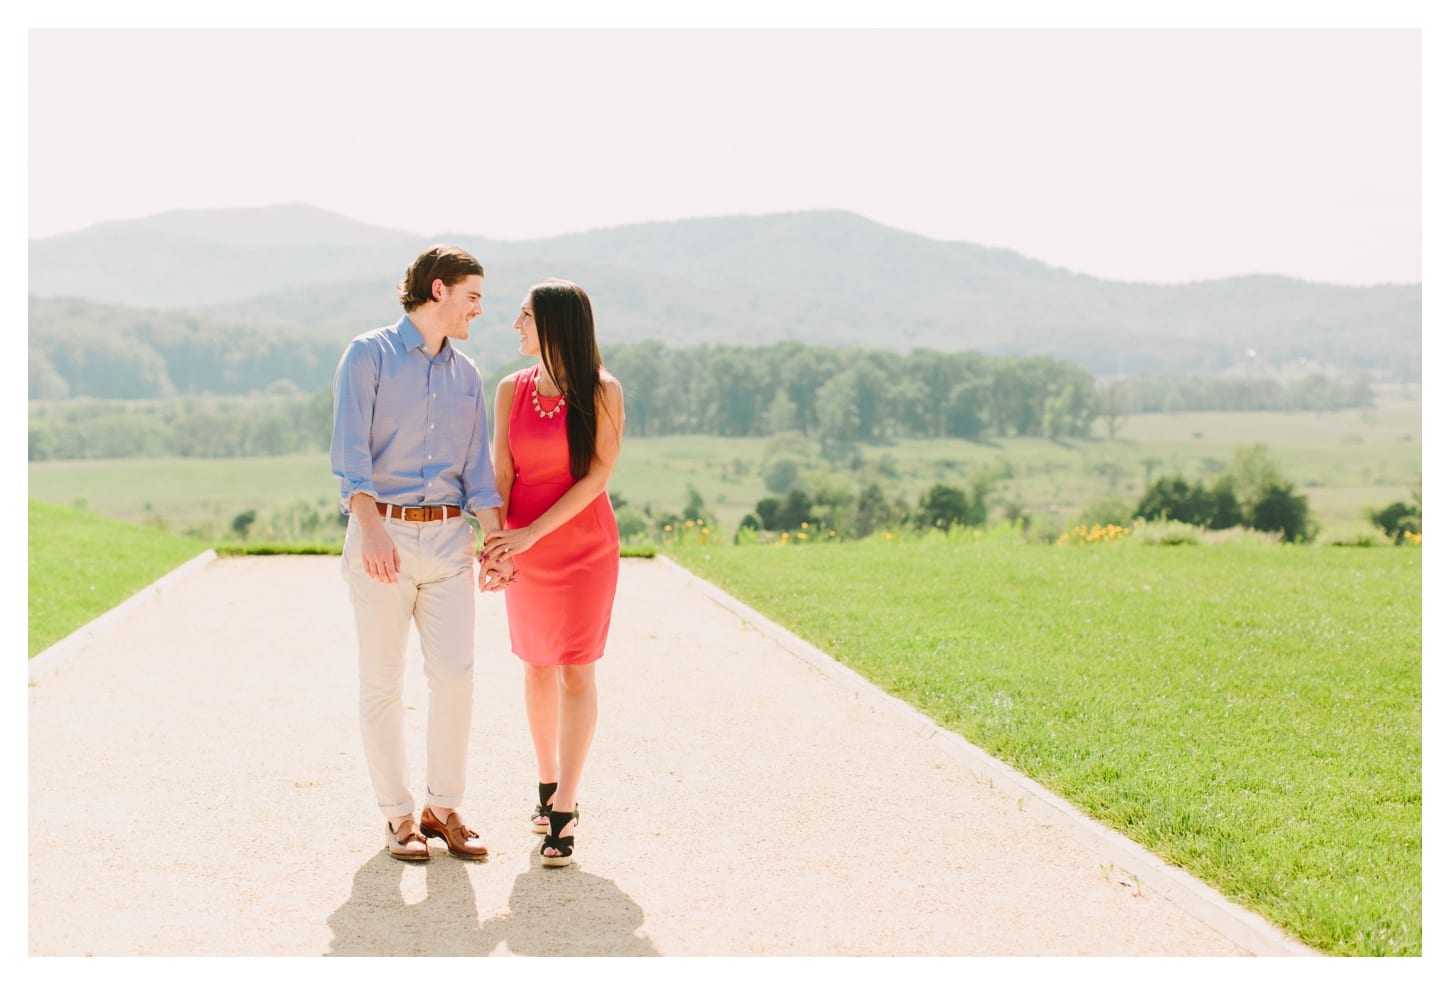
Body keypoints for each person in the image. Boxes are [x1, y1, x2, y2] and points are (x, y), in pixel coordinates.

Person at [330, 245, 514, 863]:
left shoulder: (467, 374)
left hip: (447, 542)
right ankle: (398, 816)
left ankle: (443, 807)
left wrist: (494, 542)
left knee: (455, 679)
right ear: (438, 291)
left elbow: (478, 473)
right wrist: (372, 526)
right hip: (381, 536)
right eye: (473, 298)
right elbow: (350, 452)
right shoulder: (368, 354)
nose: (479, 311)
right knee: (382, 681)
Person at [482, 278, 624, 867]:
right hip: (522, 543)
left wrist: (533, 535)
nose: (514, 326)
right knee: (536, 668)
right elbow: (502, 475)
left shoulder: (603, 390)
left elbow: (596, 476)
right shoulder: (509, 390)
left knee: (576, 671)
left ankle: (566, 803)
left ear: (555, 325)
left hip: (583, 546)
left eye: (523, 317)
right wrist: (494, 545)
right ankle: (545, 786)